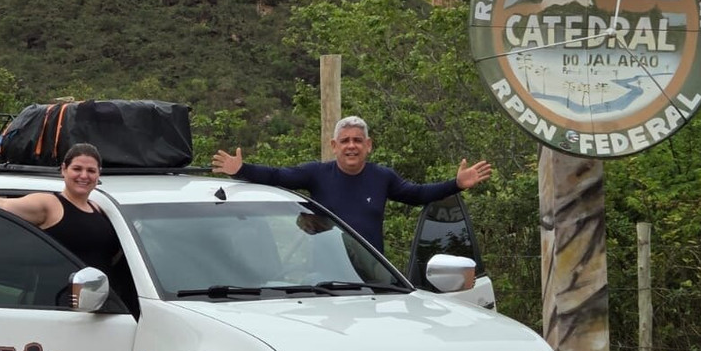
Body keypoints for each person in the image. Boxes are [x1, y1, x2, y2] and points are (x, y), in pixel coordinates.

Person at [211, 116, 492, 252]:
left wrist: (456, 184)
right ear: (334, 146)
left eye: (358, 140)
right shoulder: (316, 174)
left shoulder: (383, 177)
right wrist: (241, 170)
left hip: (372, 275)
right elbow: (276, 176)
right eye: (345, 140)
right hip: (325, 275)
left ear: (368, 145)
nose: (351, 145)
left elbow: (417, 194)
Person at [0, 142, 136, 312]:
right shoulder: (49, 204)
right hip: (58, 303)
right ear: (64, 170)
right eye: (77, 169)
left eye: (91, 170)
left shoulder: (99, 208)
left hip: (99, 306)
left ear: (99, 174)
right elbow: (3, 204)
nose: (84, 175)